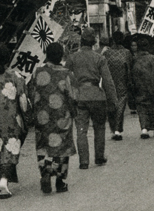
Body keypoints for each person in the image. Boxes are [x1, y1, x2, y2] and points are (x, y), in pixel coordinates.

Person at [0, 44, 30, 199]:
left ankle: (3, 178)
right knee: (10, 148)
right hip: (12, 119)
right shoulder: (17, 77)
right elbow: (23, 102)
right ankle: (4, 180)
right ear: (9, 59)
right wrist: (26, 119)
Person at [26, 42, 75, 194]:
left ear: (46, 55)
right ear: (61, 56)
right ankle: (60, 181)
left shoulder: (37, 72)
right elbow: (72, 96)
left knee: (43, 145)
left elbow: (30, 92)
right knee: (62, 146)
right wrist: (73, 112)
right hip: (61, 116)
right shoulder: (67, 73)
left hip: (42, 116)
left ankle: (46, 172)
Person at [65, 29, 117, 169]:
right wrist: (113, 99)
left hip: (80, 96)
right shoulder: (99, 58)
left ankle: (84, 161)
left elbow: (65, 76)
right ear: (94, 42)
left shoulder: (72, 58)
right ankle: (99, 157)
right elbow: (108, 81)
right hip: (97, 96)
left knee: (81, 129)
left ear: (81, 41)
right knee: (99, 127)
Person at [101, 31, 134, 140]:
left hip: (109, 82)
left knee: (111, 105)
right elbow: (130, 68)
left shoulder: (107, 53)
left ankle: (113, 128)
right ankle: (117, 129)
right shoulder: (126, 53)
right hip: (122, 82)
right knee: (120, 105)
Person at [131, 39, 154, 139]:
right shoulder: (153, 58)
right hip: (152, 87)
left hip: (139, 87)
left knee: (142, 107)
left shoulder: (134, 59)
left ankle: (144, 128)